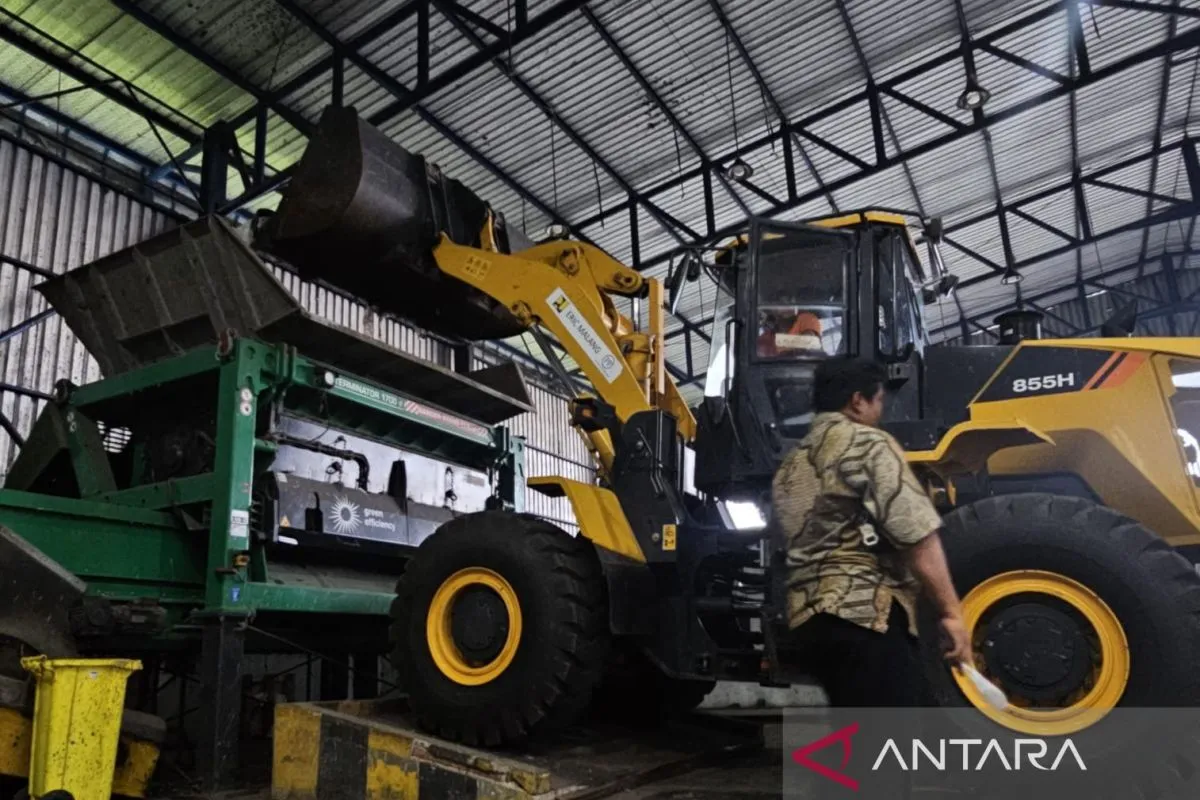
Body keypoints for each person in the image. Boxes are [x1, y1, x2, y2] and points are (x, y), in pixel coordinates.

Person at [772, 356, 971, 708]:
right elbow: (916, 534)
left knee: (861, 729)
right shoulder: (867, 443)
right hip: (862, 614)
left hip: (809, 622)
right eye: (878, 400)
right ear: (857, 401)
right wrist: (951, 614)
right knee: (897, 734)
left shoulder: (792, 463)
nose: (880, 410)